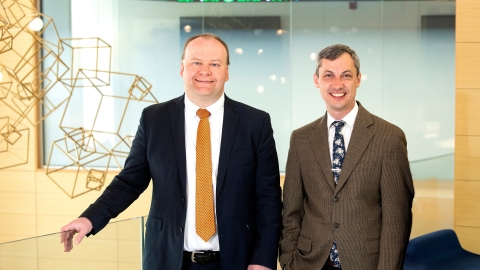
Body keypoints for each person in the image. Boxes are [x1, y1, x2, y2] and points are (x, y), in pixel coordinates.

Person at [60, 33, 282, 270]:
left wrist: (263, 259)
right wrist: (90, 217)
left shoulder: (255, 123)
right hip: (167, 259)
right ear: (182, 68)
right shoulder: (154, 119)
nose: (205, 71)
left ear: (226, 72)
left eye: (214, 64)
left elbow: (268, 197)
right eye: (196, 62)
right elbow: (129, 182)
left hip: (236, 261)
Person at [279, 44, 414, 270]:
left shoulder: (389, 137)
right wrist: (288, 261)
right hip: (308, 262)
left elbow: (396, 220)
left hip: (365, 262)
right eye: (328, 76)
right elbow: (291, 211)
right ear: (316, 80)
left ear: (358, 79)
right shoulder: (301, 139)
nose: (337, 84)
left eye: (346, 76)